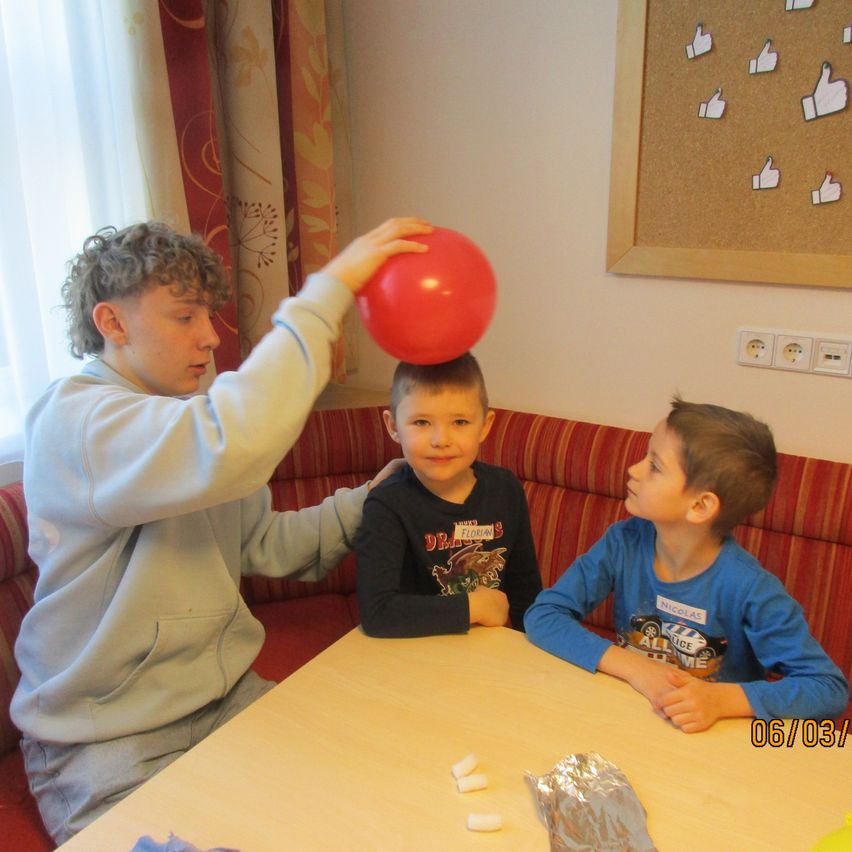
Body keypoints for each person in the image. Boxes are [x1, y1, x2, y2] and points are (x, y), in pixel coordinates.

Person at [11, 216, 433, 843]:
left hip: (224, 704)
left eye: (209, 315)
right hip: (105, 743)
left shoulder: (181, 417)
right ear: (112, 323)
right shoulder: (75, 419)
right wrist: (331, 289)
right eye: (185, 316)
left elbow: (264, 544)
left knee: (370, 806)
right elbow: (230, 440)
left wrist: (370, 501)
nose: (210, 337)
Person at [524, 396, 849, 732]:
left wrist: (720, 700)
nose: (634, 469)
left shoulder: (751, 588)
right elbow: (543, 616)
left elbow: (827, 688)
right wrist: (638, 670)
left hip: (708, 740)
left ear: (700, 506)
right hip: (629, 717)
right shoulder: (623, 542)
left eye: (654, 466)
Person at [355, 353, 542, 638]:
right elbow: (377, 613)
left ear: (485, 425)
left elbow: (526, 593)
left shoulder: (506, 490)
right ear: (393, 427)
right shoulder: (387, 504)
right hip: (413, 653)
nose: (441, 440)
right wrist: (472, 607)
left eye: (460, 422)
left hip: (491, 652)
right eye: (421, 422)